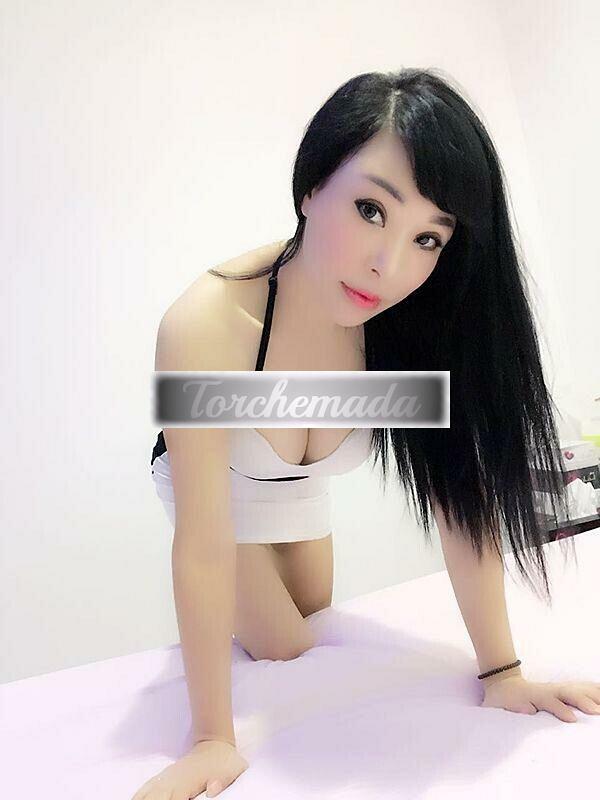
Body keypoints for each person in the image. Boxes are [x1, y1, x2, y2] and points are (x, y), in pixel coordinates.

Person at [132, 68, 598, 800]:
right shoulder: (206, 326)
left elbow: (459, 504)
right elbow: (202, 544)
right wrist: (212, 739)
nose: (390, 266)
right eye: (371, 210)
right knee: (287, 647)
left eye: (428, 238)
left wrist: (503, 674)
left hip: (300, 487)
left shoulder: (405, 328)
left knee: (317, 634)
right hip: (214, 484)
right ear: (311, 186)